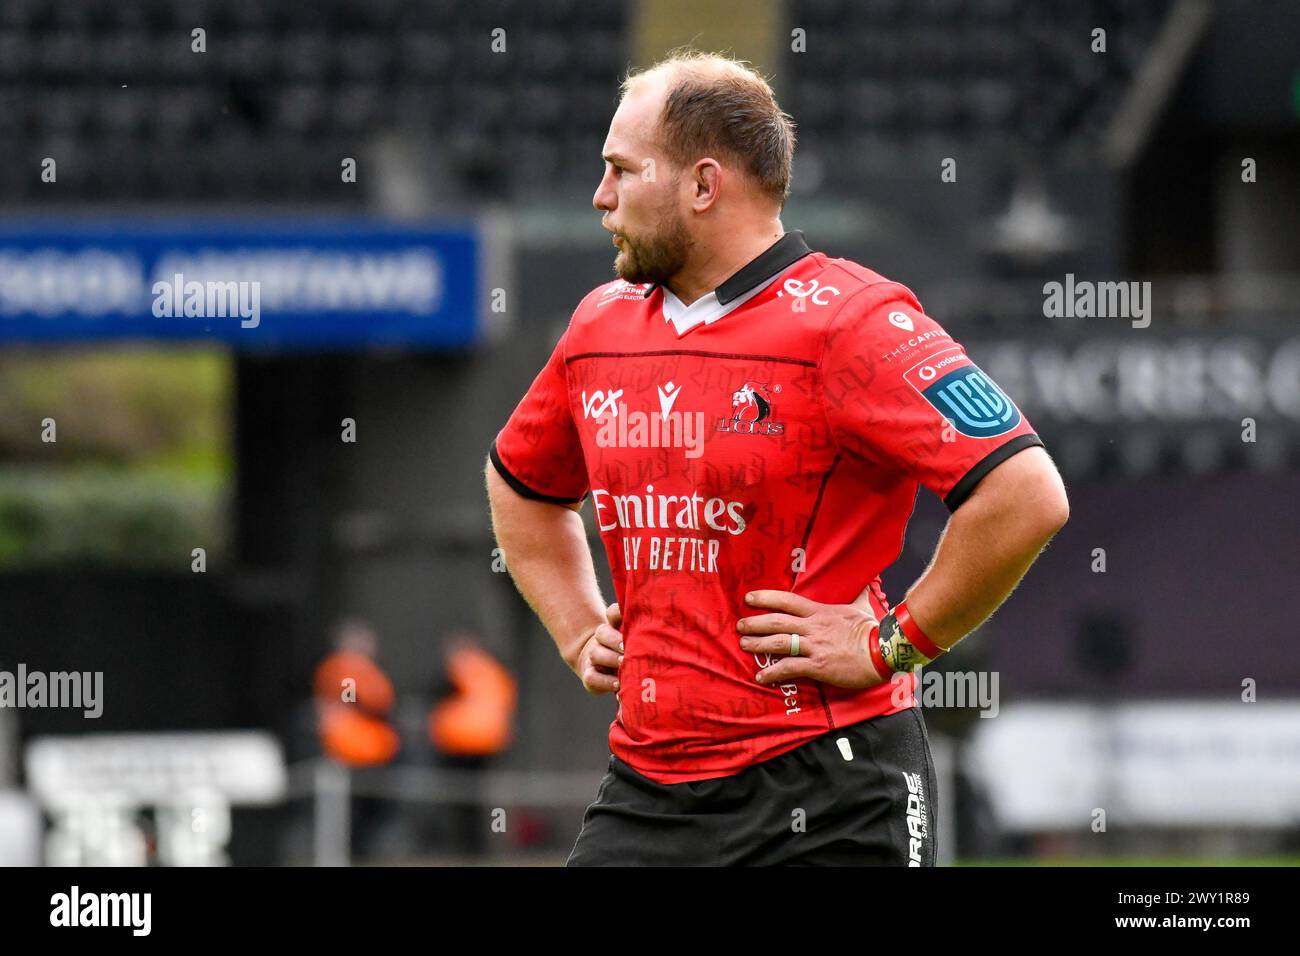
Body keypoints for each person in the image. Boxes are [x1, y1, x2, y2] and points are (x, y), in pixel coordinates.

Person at [484, 50, 1069, 866]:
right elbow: (521, 486)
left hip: (832, 785)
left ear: (701, 184)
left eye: (621, 170)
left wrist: (894, 643)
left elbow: (1025, 493)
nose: (601, 198)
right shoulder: (598, 327)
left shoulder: (853, 322)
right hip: (649, 791)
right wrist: (579, 627)